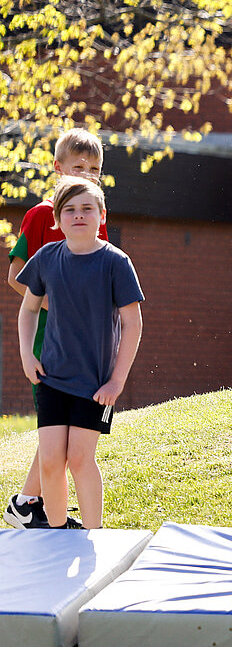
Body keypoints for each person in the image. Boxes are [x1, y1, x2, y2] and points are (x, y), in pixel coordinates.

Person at [14, 178, 144, 530]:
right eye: (69, 210)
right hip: (52, 379)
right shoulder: (47, 258)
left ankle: (93, 533)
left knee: (80, 459)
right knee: (51, 462)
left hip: (96, 385)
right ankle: (56, 533)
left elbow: (133, 323)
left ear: (102, 215)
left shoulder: (116, 262)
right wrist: (27, 355)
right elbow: (27, 311)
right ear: (56, 219)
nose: (78, 215)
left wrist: (117, 381)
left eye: (87, 208)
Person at [5, 129, 108, 529]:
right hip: (49, 338)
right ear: (58, 168)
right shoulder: (39, 215)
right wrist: (55, 304)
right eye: (78, 167)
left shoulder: (94, 213)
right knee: (56, 430)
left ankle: (28, 503)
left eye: (94, 170)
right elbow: (16, 276)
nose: (86, 175)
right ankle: (33, 506)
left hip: (87, 345)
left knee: (65, 435)